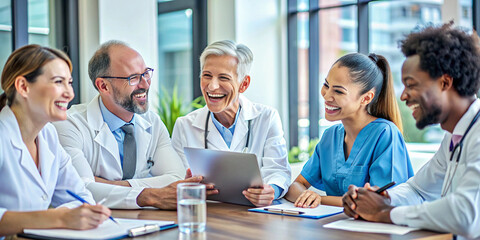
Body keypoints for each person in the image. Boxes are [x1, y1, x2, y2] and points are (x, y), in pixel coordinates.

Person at [342, 23, 480, 239]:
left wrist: (387, 213)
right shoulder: (454, 138)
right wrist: (380, 198)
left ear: (444, 83)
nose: (403, 96)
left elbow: (466, 214)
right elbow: (418, 190)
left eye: (411, 84)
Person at [53, 40, 216, 210]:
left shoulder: (153, 122)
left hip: (142, 223)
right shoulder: (69, 125)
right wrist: (147, 195)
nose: (145, 84)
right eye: (133, 78)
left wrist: (106, 185)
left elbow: (176, 178)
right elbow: (79, 189)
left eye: (145, 73)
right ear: (103, 86)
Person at [0, 45, 111, 237]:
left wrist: (81, 214)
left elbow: (82, 197)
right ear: (23, 87)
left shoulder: (48, 135)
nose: (69, 93)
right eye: (58, 82)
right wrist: (60, 218)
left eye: (70, 83)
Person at [171, 40, 291, 207]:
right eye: (207, 76)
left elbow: (278, 170)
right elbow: (176, 179)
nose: (212, 86)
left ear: (244, 84)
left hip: (255, 216)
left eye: (223, 78)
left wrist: (271, 190)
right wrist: (187, 186)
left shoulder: (267, 118)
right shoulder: (185, 125)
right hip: (207, 213)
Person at [285, 53, 414, 207]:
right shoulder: (330, 137)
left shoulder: (385, 134)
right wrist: (307, 197)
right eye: (326, 85)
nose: (326, 96)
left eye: (338, 91)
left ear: (366, 98)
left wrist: (320, 199)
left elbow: (381, 201)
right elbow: (295, 186)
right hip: (333, 226)